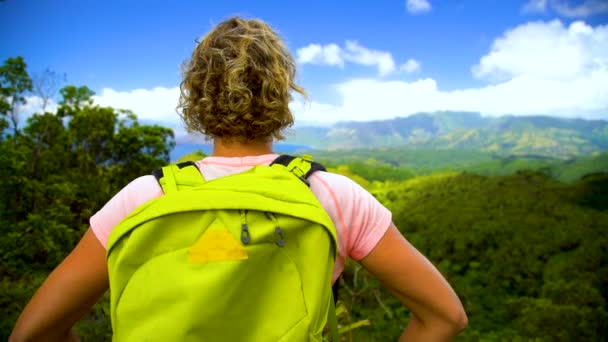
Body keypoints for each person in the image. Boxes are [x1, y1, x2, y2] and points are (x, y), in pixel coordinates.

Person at [10, 16, 467, 341]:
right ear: (283, 94)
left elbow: (33, 333)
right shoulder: (331, 194)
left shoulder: (144, 196)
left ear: (194, 95)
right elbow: (444, 317)